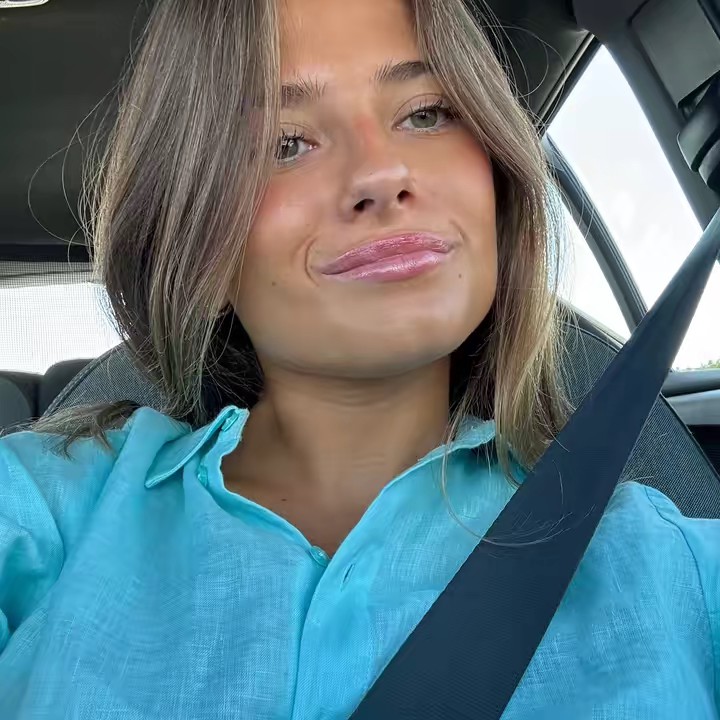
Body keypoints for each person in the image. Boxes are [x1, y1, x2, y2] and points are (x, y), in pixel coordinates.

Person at [1, 0, 717, 717]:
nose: (382, 170)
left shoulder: (669, 568)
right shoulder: (42, 514)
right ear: (201, 249)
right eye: (286, 143)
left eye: (428, 113)